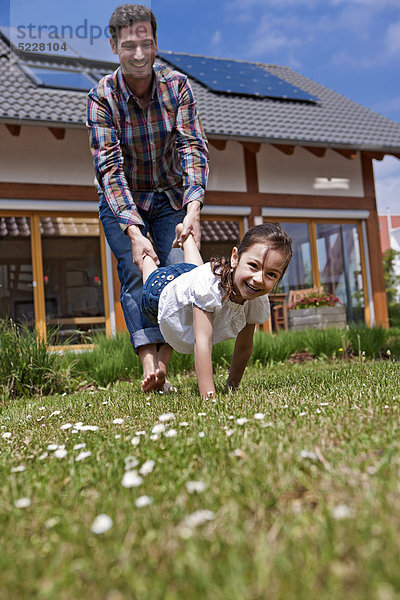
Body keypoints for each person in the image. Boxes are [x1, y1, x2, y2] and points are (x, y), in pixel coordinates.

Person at [86, 4, 209, 392]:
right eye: (128, 46)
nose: (139, 55)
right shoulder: (101, 96)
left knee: (179, 275)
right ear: (113, 46)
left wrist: (194, 209)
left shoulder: (178, 88)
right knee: (137, 277)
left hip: (171, 197)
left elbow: (193, 147)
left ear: (156, 43)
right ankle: (147, 364)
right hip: (122, 199)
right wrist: (135, 233)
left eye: (146, 44)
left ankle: (164, 368)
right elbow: (110, 168)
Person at [140, 223, 292, 397]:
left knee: (194, 271)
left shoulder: (255, 299)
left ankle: (185, 236)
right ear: (235, 258)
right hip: (161, 292)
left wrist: (232, 386)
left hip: (190, 279)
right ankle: (146, 252)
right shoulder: (208, 286)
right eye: (253, 266)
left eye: (271, 274)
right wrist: (209, 395)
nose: (258, 279)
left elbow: (244, 346)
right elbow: (203, 343)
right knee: (151, 277)